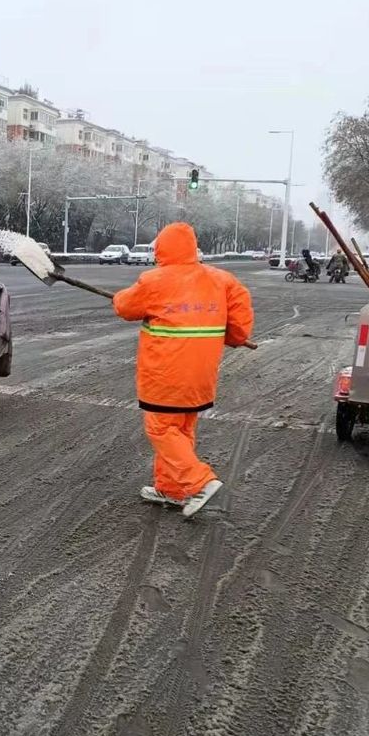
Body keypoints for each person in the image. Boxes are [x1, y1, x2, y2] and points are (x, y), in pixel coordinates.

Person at [112, 222, 255, 517]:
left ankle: (200, 481)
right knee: (181, 429)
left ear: (161, 249)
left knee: (161, 428)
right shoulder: (223, 280)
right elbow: (239, 326)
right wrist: (233, 338)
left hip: (166, 374)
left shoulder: (155, 280)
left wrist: (117, 297)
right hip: (201, 375)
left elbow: (125, 308)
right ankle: (172, 490)